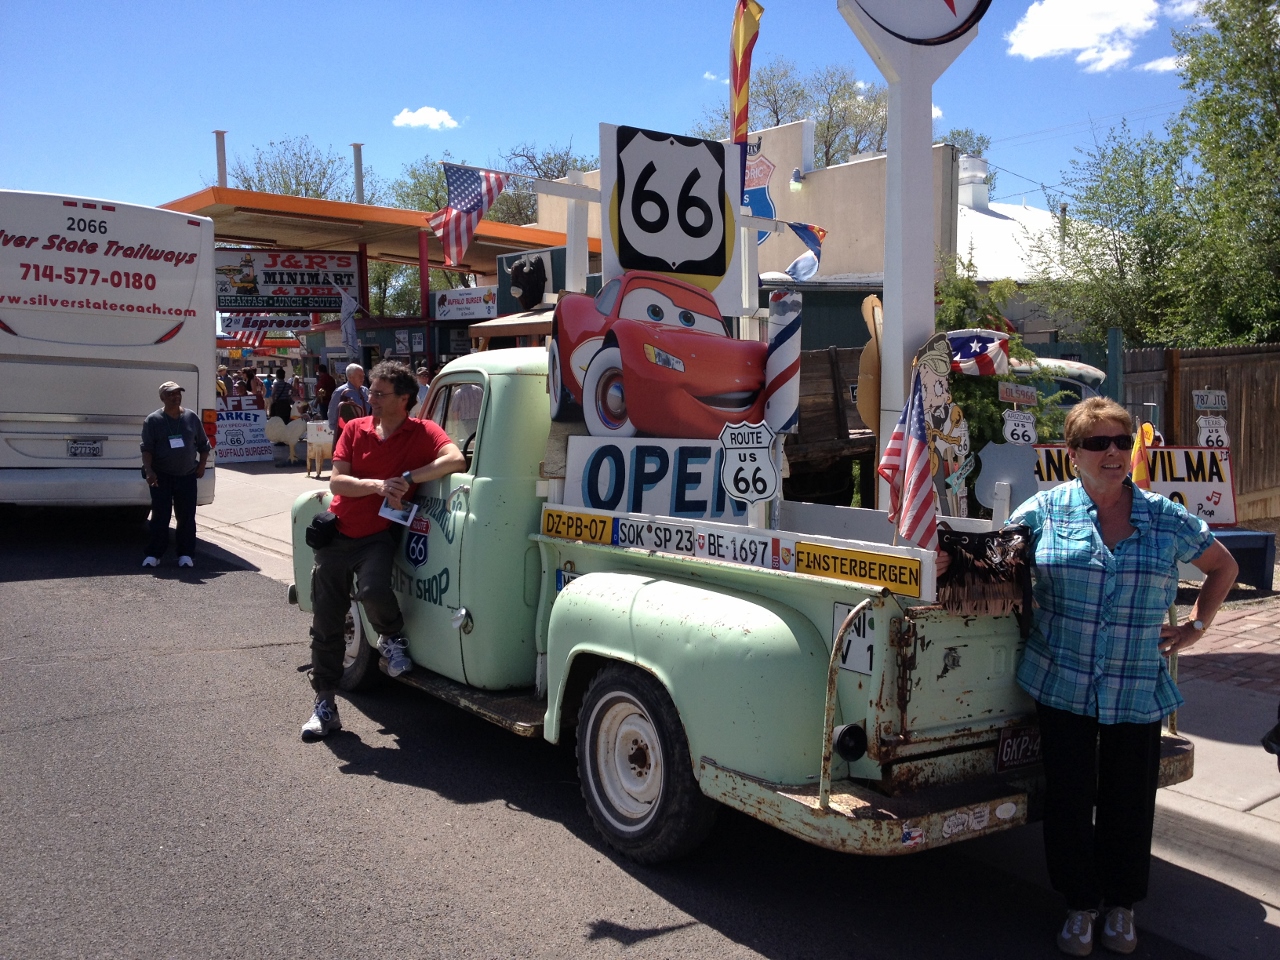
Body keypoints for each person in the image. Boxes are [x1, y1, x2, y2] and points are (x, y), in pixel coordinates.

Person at [1005, 397, 1237, 956]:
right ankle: (1080, 906)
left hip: (1136, 683)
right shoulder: (1043, 512)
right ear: (1072, 452)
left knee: (1129, 800)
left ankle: (1121, 906)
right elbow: (995, 563)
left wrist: (1197, 627)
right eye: (1096, 443)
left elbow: (1223, 566)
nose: (1111, 453)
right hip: (1062, 679)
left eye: (1120, 441)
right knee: (1068, 798)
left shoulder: (1165, 518)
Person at [301, 360, 465, 741]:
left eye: (379, 392)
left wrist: (409, 478)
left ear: (404, 399)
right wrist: (376, 485)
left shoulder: (422, 431)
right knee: (326, 623)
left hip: (377, 536)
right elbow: (338, 482)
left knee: (373, 589)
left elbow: (455, 459)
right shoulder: (355, 429)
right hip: (338, 533)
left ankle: (390, 637)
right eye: (371, 391)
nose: (370, 397)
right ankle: (325, 705)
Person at [140, 381, 211, 569]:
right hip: (161, 476)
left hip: (187, 475)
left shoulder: (191, 417)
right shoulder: (153, 420)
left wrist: (202, 465)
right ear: (163, 397)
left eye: (178, 393)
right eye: (171, 394)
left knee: (186, 517)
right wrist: (149, 470)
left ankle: (186, 554)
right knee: (160, 517)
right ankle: (154, 554)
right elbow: (147, 449)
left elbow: (204, 445)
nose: (176, 396)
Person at [327, 363, 369, 434]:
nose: (362, 378)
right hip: (348, 431)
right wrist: (337, 431)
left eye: (363, 376)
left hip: (364, 429)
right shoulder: (341, 392)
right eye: (359, 376)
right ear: (350, 377)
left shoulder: (365, 391)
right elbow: (332, 411)